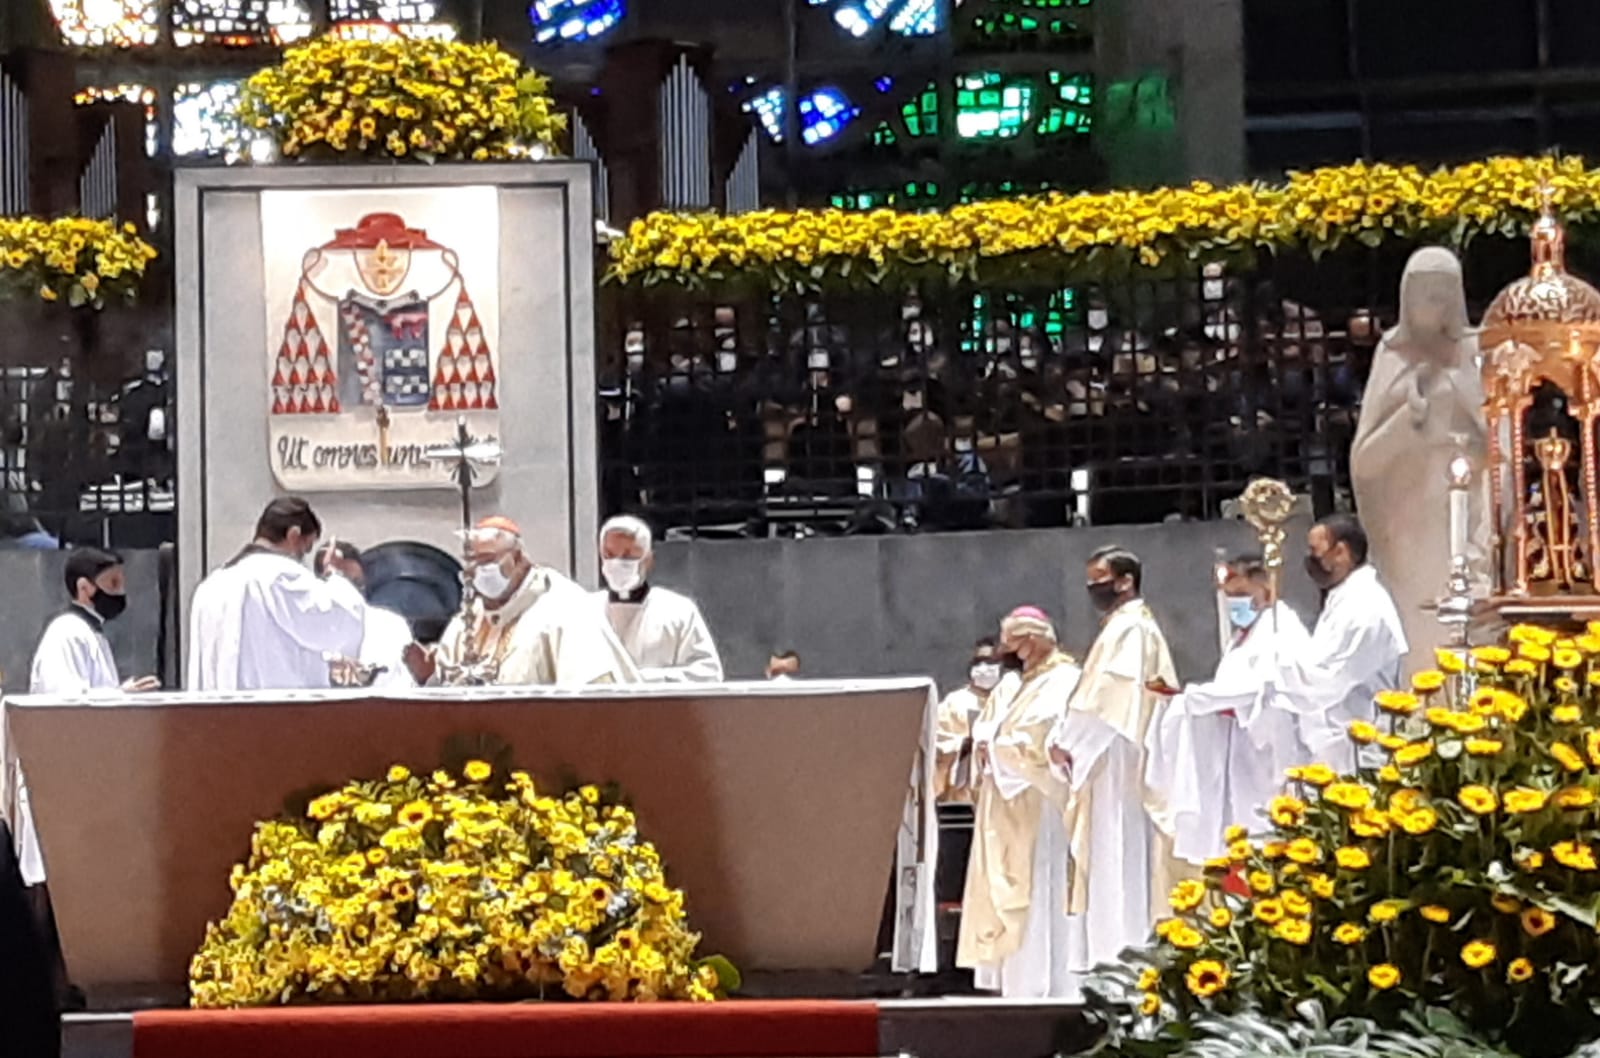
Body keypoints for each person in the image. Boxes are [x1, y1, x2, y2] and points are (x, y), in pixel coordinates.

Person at [1349, 247, 1489, 673]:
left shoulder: (1474, 351)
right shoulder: (1391, 355)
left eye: (1441, 294)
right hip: (1411, 524)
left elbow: (1498, 433)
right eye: (1424, 295)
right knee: (1419, 632)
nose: (1434, 306)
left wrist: (1458, 393)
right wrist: (1408, 417)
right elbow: (1364, 462)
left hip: (1465, 513)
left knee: (1470, 628)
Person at [1046, 545, 1178, 993]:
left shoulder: (1133, 629)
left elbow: (1110, 703)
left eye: (1101, 578)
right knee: (1106, 859)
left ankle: (1122, 962)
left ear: (1126, 580)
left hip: (1117, 757)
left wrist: (1066, 743)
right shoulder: (1121, 627)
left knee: (1119, 857)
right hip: (1105, 759)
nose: (1093, 589)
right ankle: (1109, 960)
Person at [1143, 552, 1311, 863]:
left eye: (1242, 595)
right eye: (1230, 596)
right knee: (1240, 838)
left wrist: (1194, 698)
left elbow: (1260, 687)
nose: (1235, 604)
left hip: (1268, 753)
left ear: (1267, 589)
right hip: (1238, 751)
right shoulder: (1242, 637)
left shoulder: (1281, 629)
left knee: (1265, 834)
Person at [957, 607, 1081, 998]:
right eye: (1011, 642)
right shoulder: (1014, 684)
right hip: (1003, 800)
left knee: (1042, 888)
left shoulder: (1065, 679)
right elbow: (987, 729)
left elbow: (1045, 739)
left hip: (1039, 802)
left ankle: (1051, 980)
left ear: (1041, 637)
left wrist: (995, 747)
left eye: (1022, 640)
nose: (1016, 650)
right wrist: (985, 746)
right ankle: (1016, 980)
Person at [406, 516, 639, 687]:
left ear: (519, 559)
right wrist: (429, 677)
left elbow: (593, 699)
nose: (477, 572)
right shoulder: (469, 621)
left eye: (487, 561)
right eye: (471, 564)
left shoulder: (564, 610)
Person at [1270, 514, 1408, 773]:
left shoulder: (1363, 606)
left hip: (1360, 745)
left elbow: (1326, 679)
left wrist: (1278, 662)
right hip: (1336, 744)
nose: (1310, 561)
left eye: (1315, 551)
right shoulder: (1343, 598)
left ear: (1341, 552)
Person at [186, 497, 367, 691]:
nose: (301, 559)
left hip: (216, 717)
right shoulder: (279, 576)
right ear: (293, 535)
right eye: (304, 549)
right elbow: (337, 622)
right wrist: (334, 573)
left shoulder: (211, 586)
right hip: (272, 716)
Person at [594, 515, 723, 682]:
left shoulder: (678, 611)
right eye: (609, 555)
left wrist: (647, 680)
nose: (617, 563)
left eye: (628, 556)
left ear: (647, 561)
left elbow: (708, 673)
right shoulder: (584, 611)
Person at [29, 548, 159, 697]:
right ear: (84, 587)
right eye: (113, 583)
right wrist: (120, 694)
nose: (121, 592)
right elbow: (66, 701)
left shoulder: (89, 631)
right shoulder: (67, 632)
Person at [313, 542, 416, 689]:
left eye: (356, 583)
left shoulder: (391, 624)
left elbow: (406, 682)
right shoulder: (305, 626)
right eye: (339, 580)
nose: (349, 591)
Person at [933, 637, 1003, 803]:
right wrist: (966, 744)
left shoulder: (1010, 701)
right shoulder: (955, 702)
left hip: (1001, 790)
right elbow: (937, 740)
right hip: (963, 791)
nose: (983, 668)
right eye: (978, 662)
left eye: (990, 661)